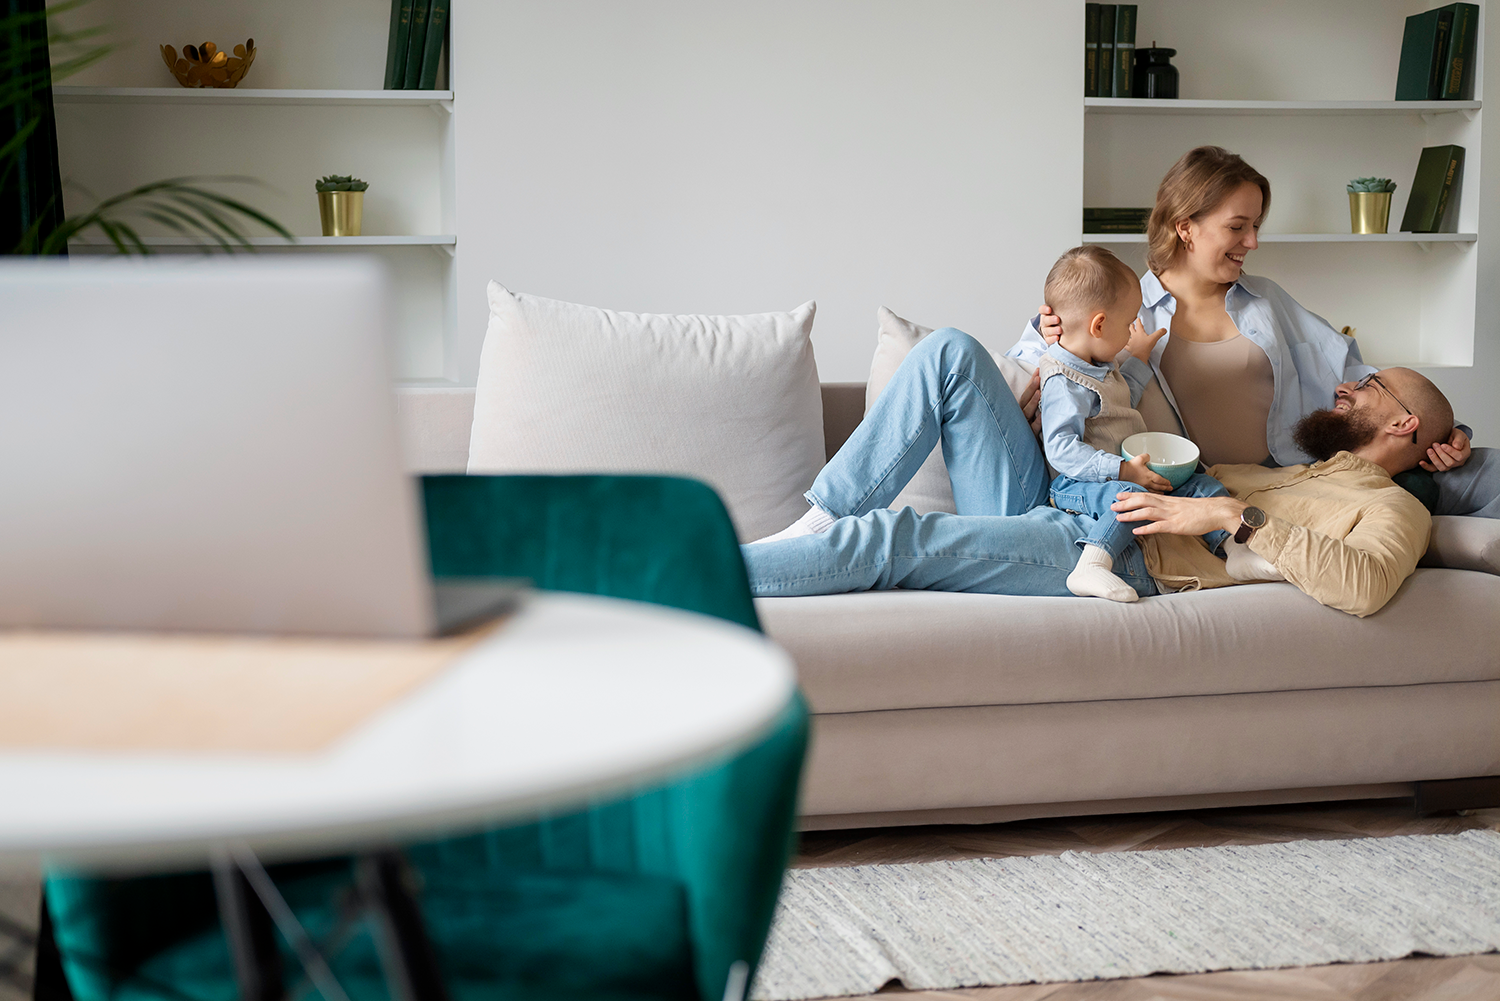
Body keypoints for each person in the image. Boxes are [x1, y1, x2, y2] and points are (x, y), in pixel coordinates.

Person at [746, 326, 1453, 618]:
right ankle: (819, 516)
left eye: (1369, 385)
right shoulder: (1289, 468)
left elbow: (1364, 584)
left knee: (894, 537)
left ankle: (702, 570)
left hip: (1116, 547)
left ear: (1403, 425)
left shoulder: (1396, 509)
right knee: (949, 353)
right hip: (1069, 492)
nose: (1347, 385)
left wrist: (1229, 516)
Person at [1011, 145, 1498, 519]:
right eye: (1238, 227)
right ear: (1185, 227)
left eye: (1257, 225)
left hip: (1288, 479)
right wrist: (1045, 330)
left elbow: (1357, 375)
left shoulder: (1266, 301)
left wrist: (1445, 431)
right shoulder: (1114, 310)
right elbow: (1025, 377)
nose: (1253, 242)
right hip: (1192, 493)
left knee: (1487, 470)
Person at [1035, 245, 1229, 603]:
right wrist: (1121, 470)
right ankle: (1092, 564)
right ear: (1098, 325)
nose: (1129, 333)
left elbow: (1122, 397)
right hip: (1078, 485)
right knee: (1129, 499)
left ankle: (1235, 550)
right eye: (1127, 324)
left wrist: (1137, 357)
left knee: (1204, 485)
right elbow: (1061, 449)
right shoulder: (1064, 380)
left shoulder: (1099, 363)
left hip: (1128, 475)